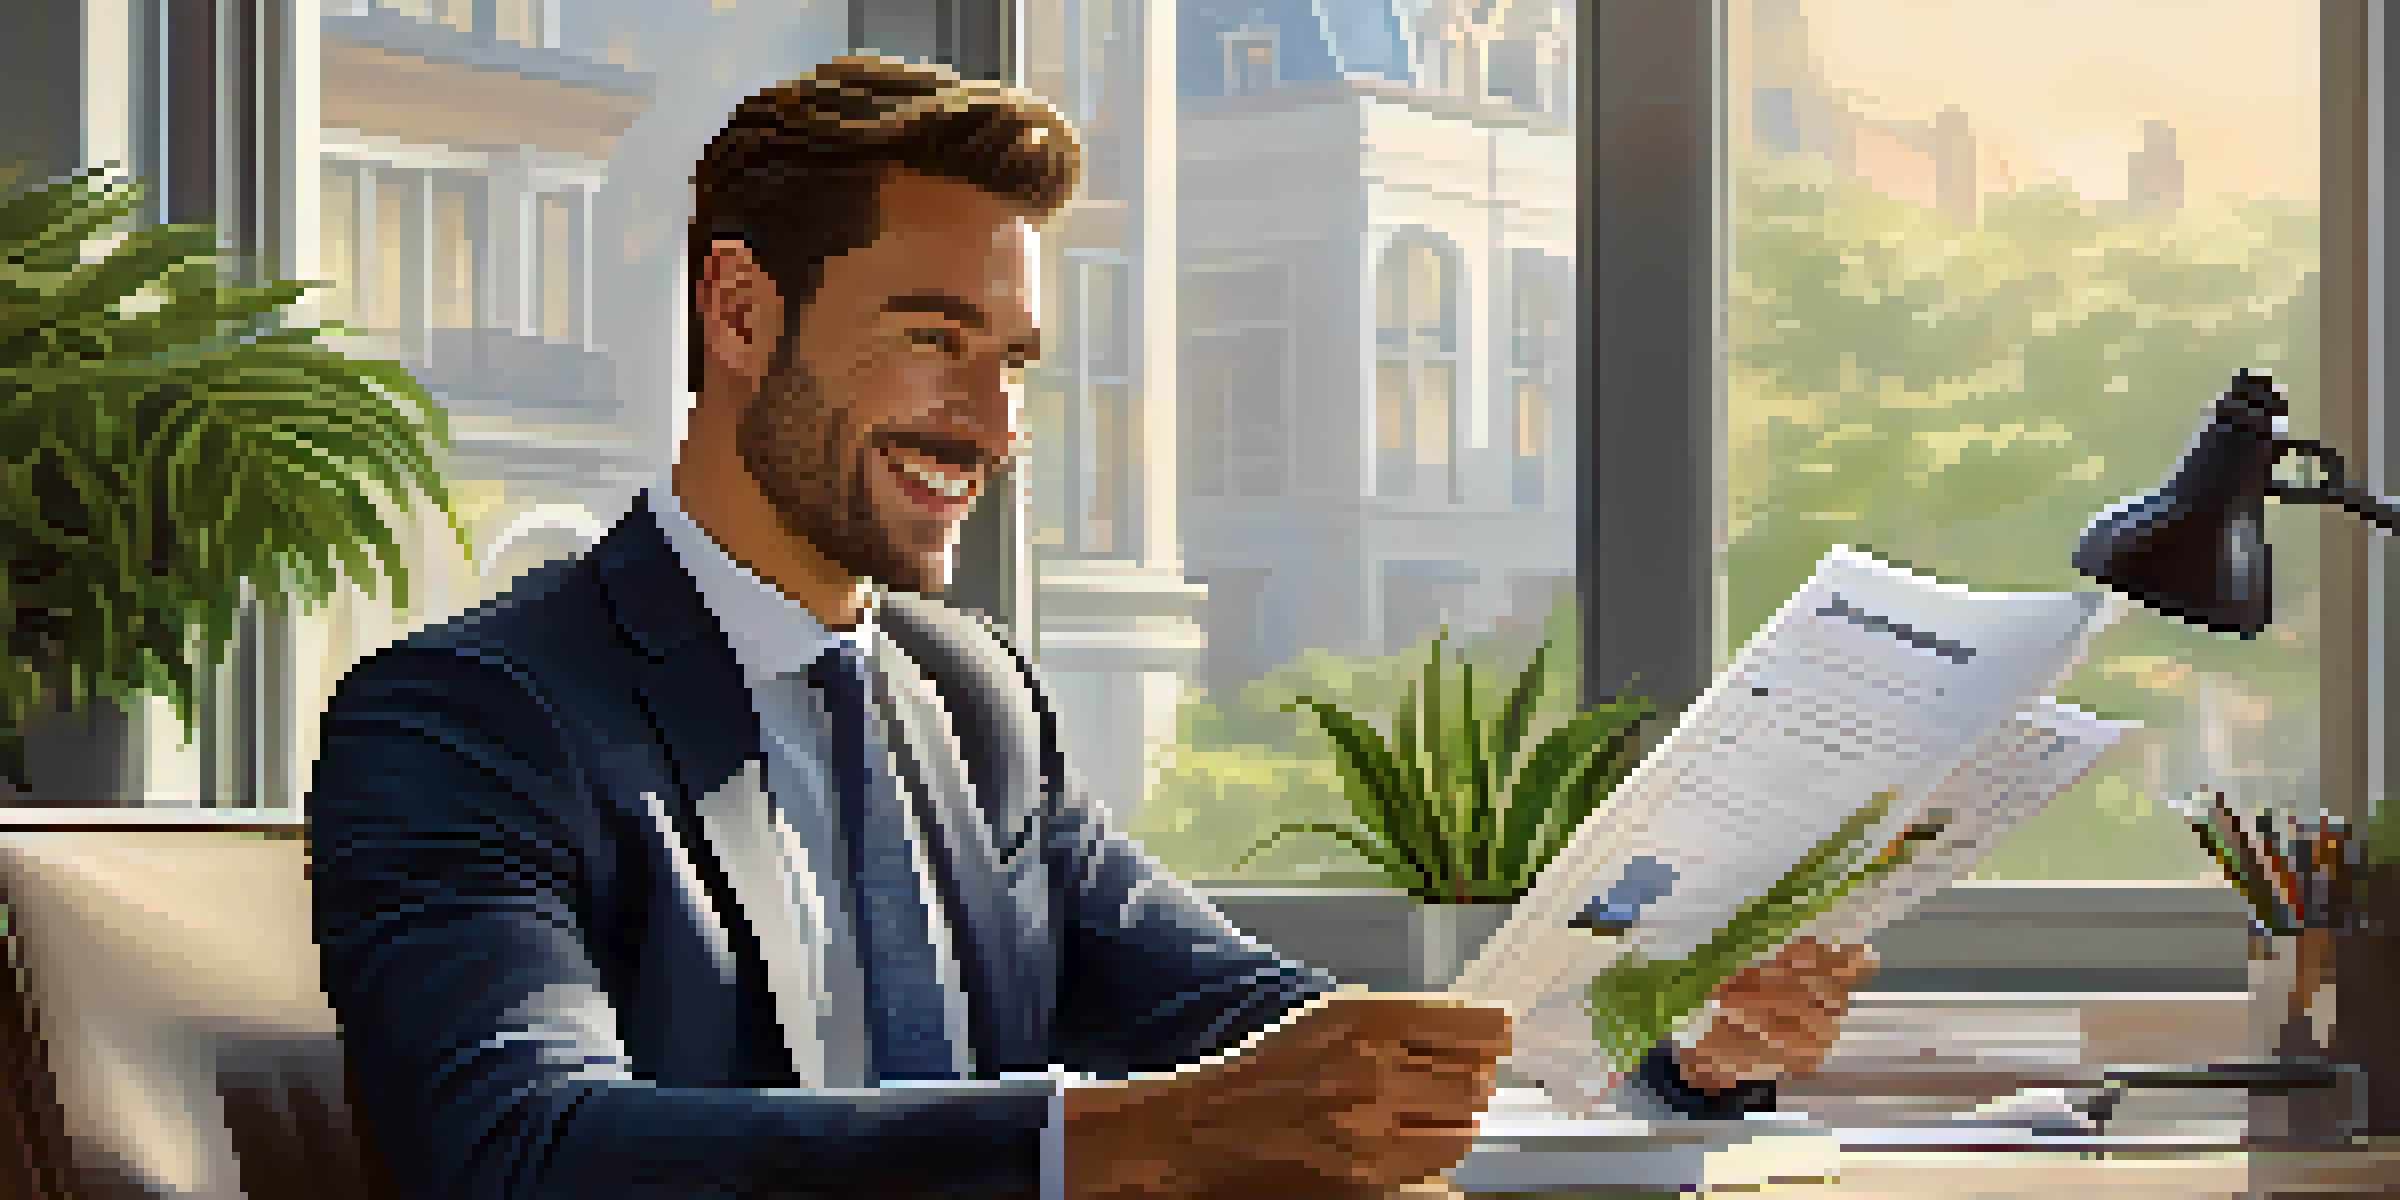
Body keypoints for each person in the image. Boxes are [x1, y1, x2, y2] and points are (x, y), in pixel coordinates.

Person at [309, 54, 1873, 1200]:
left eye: (1014, 361)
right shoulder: (472, 718)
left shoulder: (970, 699)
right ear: (739, 313)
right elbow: (525, 1149)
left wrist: (1672, 1048)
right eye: (934, 338)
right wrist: (1118, 1141)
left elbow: (1276, 1036)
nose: (990, 425)